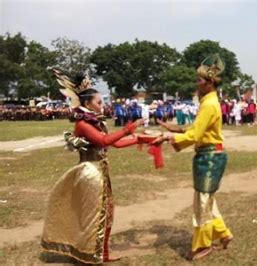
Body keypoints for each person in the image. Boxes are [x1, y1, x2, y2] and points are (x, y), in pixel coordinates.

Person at [41, 69, 144, 264]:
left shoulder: (95, 121)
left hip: (101, 173)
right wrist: (126, 129)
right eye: (99, 102)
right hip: (90, 174)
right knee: (93, 216)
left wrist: (138, 138)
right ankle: (87, 254)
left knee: (108, 213)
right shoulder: (82, 123)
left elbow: (116, 143)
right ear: (87, 104)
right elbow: (104, 140)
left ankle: (103, 253)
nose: (102, 105)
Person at [152, 54, 233, 260]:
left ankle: (204, 244)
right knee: (206, 199)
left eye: (199, 81)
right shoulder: (208, 101)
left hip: (210, 157)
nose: (196, 84)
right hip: (209, 155)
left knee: (202, 202)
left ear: (210, 82)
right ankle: (222, 233)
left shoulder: (209, 104)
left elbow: (196, 135)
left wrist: (169, 136)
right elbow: (198, 129)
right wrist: (176, 128)